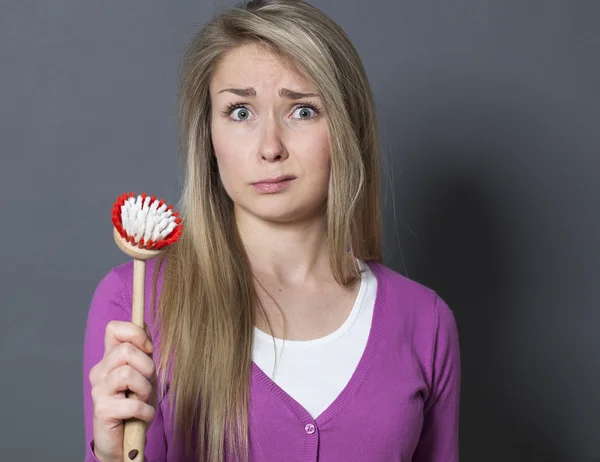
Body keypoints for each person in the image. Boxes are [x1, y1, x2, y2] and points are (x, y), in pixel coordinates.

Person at [83, 0, 461, 461]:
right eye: (240, 112)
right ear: (210, 137)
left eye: (302, 111)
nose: (269, 148)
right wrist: (108, 456)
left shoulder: (425, 321)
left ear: (346, 127)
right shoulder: (137, 302)